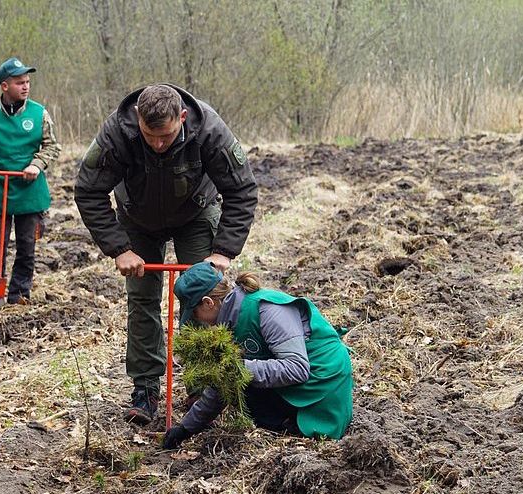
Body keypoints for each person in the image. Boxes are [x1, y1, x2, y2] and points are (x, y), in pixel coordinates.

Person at [74, 84, 258, 424]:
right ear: (137, 120)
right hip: (137, 218)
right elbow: (88, 190)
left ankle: (201, 385)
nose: (158, 144)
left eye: (167, 136)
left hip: (195, 213)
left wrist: (223, 252)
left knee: (203, 296)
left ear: (183, 118)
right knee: (142, 300)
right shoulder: (117, 132)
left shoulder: (210, 130)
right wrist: (119, 248)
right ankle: (145, 389)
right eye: (149, 136)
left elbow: (242, 189)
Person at [162, 261, 354, 449]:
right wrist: (186, 429)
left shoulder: (266, 309)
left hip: (323, 378)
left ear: (208, 303)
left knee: (246, 383)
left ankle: (295, 422)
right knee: (241, 384)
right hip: (300, 379)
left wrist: (240, 367)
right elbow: (222, 383)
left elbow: (298, 369)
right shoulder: (227, 323)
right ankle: (286, 422)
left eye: (194, 314)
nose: (197, 321)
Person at [0, 57, 60, 306]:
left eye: (27, 82)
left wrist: (36, 165)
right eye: (20, 82)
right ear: (5, 86)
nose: (26, 86)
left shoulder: (39, 113)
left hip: (30, 190)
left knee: (27, 247)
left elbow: (51, 146)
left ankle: (18, 298)